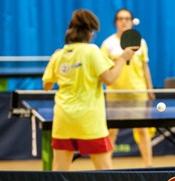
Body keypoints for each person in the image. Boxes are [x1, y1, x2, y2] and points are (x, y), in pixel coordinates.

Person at [42, 9, 137, 171]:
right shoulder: (93, 51)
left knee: (58, 174)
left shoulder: (59, 55)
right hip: (89, 122)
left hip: (63, 121)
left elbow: (47, 86)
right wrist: (123, 58)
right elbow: (109, 78)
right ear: (91, 33)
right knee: (105, 174)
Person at [101, 8, 155, 167]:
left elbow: (145, 67)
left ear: (132, 21)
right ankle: (107, 167)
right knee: (112, 131)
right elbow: (102, 70)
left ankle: (149, 166)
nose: (124, 21)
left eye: (126, 18)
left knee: (142, 130)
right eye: (120, 19)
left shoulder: (141, 42)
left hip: (138, 93)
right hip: (115, 93)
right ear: (116, 22)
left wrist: (150, 89)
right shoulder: (108, 44)